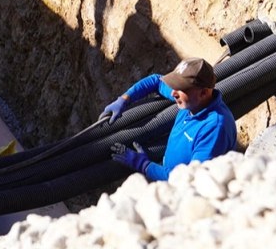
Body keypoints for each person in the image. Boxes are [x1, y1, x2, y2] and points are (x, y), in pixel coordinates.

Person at [101, 58, 237, 182]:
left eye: (180, 88)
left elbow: (191, 180)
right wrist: (124, 99)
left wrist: (144, 165)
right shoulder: (193, 101)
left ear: (203, 92)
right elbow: (156, 81)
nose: (173, 93)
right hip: (167, 173)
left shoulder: (215, 129)